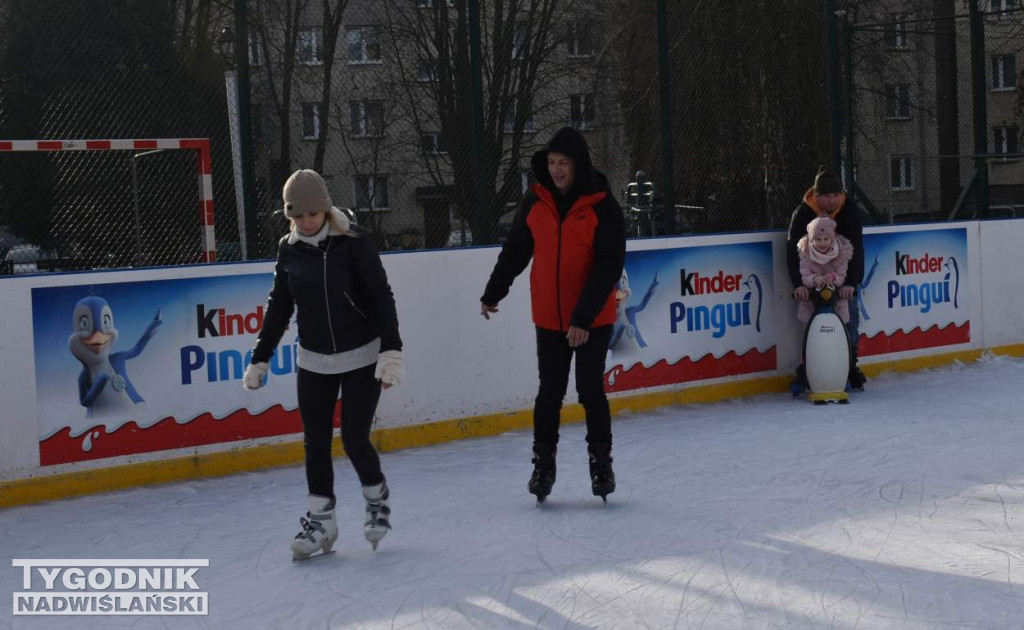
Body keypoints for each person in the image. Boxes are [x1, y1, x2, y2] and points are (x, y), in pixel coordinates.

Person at [243, 169, 403, 561]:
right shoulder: (290, 248)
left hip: (361, 354)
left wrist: (392, 350)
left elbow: (381, 295)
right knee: (314, 442)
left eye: (312, 214)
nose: (305, 222)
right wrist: (261, 356)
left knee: (353, 437)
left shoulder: (354, 241)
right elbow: (280, 305)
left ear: (326, 208)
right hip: (314, 359)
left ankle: (377, 500)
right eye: (297, 216)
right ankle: (321, 523)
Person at [480, 126, 626, 504]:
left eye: (564, 163)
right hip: (548, 316)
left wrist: (581, 318)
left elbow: (608, 267)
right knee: (550, 392)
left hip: (591, 318)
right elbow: (515, 251)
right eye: (552, 163)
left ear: (579, 165)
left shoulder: (603, 206)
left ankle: (601, 464)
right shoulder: (536, 202)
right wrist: (494, 291)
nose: (557, 170)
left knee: (590, 390)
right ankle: (543, 465)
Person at [786, 166, 866, 390]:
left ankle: (849, 367)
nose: (832, 201)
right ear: (816, 194)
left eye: (836, 195)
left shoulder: (848, 211)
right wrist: (798, 285)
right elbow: (793, 251)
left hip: (840, 278)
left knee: (849, 320)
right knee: (811, 326)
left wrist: (851, 282)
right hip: (812, 278)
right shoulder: (803, 213)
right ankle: (807, 371)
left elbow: (857, 250)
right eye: (826, 196)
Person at [796, 216, 853, 325]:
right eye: (818, 239)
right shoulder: (806, 253)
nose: (822, 243)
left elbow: (842, 277)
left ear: (832, 239)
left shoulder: (840, 254)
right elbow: (805, 275)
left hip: (836, 304)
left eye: (826, 239)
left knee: (836, 331)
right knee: (813, 332)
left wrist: (834, 278)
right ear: (812, 240)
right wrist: (814, 279)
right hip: (812, 304)